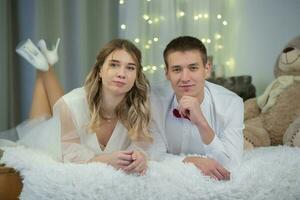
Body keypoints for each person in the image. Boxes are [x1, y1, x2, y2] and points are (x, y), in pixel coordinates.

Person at [2, 38, 163, 175]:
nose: (122, 73)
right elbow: (71, 156)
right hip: (53, 139)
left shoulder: (142, 104)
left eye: (130, 67)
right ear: (100, 71)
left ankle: (43, 67)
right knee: (39, 121)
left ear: (136, 76)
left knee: (46, 115)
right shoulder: (70, 104)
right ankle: (44, 69)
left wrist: (140, 156)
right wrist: (106, 160)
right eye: (114, 65)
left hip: (67, 119)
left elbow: (143, 146)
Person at [151, 36, 244, 180]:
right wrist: (191, 161)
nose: (185, 78)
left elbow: (231, 164)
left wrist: (202, 123)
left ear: (206, 69)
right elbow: (154, 157)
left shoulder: (232, 104)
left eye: (193, 68)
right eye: (176, 70)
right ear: (167, 73)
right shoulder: (153, 101)